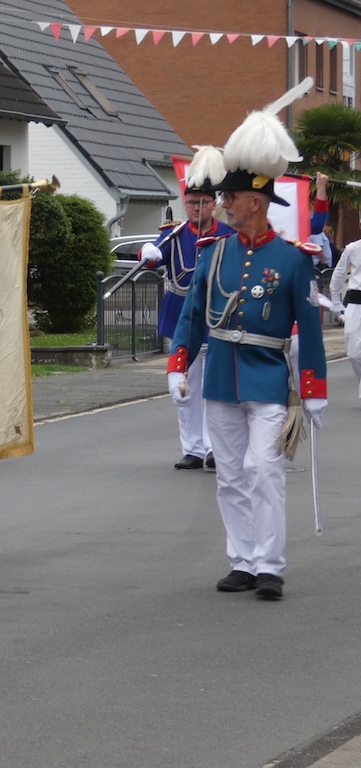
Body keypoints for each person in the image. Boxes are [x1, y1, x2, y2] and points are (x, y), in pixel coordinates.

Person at [167, 82, 327, 601]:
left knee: (264, 468)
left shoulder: (293, 259)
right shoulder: (213, 253)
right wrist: (177, 364)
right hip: (220, 378)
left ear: (255, 201)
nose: (222, 205)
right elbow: (193, 316)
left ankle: (270, 566)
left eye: (230, 197)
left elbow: (310, 326)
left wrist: (314, 388)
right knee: (232, 475)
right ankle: (242, 559)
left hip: (268, 379)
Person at [139, 145, 234, 471]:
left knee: (213, 388)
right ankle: (192, 448)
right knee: (185, 387)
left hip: (215, 319)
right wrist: (148, 254)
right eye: (191, 202)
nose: (196, 207)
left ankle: (212, 448)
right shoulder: (173, 234)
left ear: (214, 203)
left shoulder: (228, 234)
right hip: (180, 316)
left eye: (203, 202)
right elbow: (155, 261)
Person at [329, 226, 361, 397]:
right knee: (354, 353)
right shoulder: (353, 248)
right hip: (356, 303)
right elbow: (338, 275)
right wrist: (336, 304)